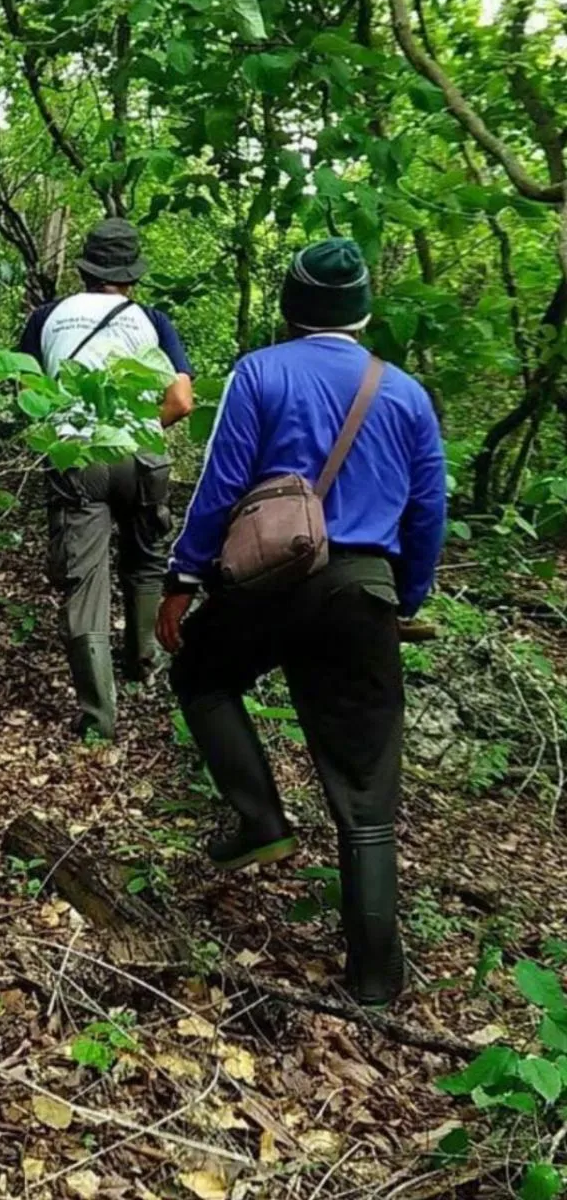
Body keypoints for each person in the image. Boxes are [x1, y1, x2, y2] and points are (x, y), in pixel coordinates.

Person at [156, 238, 446, 1006]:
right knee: (366, 791)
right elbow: (428, 511)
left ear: (290, 309)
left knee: (201, 672)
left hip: (269, 581)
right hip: (363, 592)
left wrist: (183, 578)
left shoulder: (260, 373)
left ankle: (260, 818)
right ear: (364, 313)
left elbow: (221, 486)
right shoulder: (408, 395)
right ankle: (374, 982)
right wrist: (407, 597)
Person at [20, 217, 194, 739]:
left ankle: (99, 718)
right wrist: (140, 430)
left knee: (84, 580)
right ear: (132, 275)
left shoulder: (47, 318)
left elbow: (27, 394)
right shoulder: (153, 320)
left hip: (77, 456)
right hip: (141, 454)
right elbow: (181, 400)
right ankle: (143, 667)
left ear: (84, 269)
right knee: (145, 561)